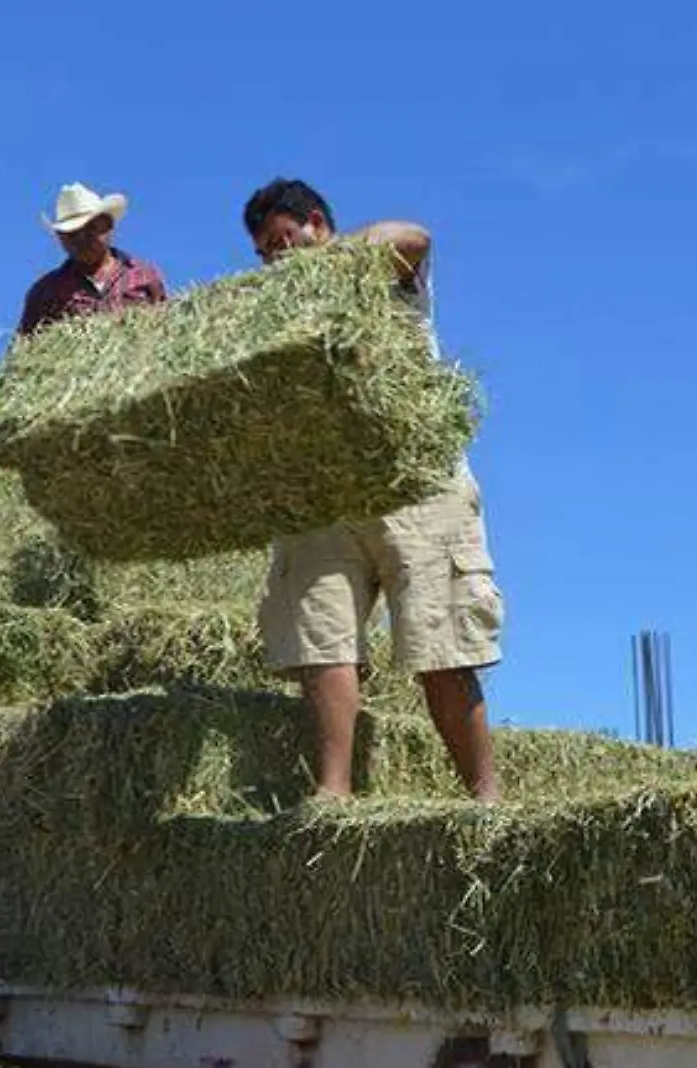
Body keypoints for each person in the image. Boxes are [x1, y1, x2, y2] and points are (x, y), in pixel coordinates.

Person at [242, 178, 506, 803]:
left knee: (440, 644)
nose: (276, 259)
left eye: (284, 241)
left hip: (415, 488)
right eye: (264, 252)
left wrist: (330, 266)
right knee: (323, 642)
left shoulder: (382, 272)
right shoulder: (274, 316)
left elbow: (415, 237)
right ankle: (333, 792)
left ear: (316, 224)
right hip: (325, 497)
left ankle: (486, 797)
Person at [17, 181, 168, 336]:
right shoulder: (46, 292)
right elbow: (23, 347)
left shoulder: (143, 275)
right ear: (61, 239)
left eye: (90, 230)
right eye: (72, 235)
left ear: (108, 226)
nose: (81, 241)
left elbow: (166, 326)